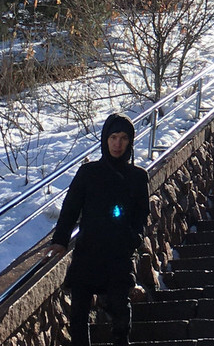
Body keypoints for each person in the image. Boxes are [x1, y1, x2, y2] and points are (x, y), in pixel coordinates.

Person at [46, 112, 150, 346]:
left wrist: (133, 238)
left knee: (120, 313)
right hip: (88, 252)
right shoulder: (89, 173)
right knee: (79, 316)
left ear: (130, 142)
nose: (117, 143)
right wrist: (60, 240)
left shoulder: (137, 177)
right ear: (105, 139)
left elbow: (141, 215)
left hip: (119, 256)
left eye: (123, 138)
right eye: (113, 137)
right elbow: (70, 208)